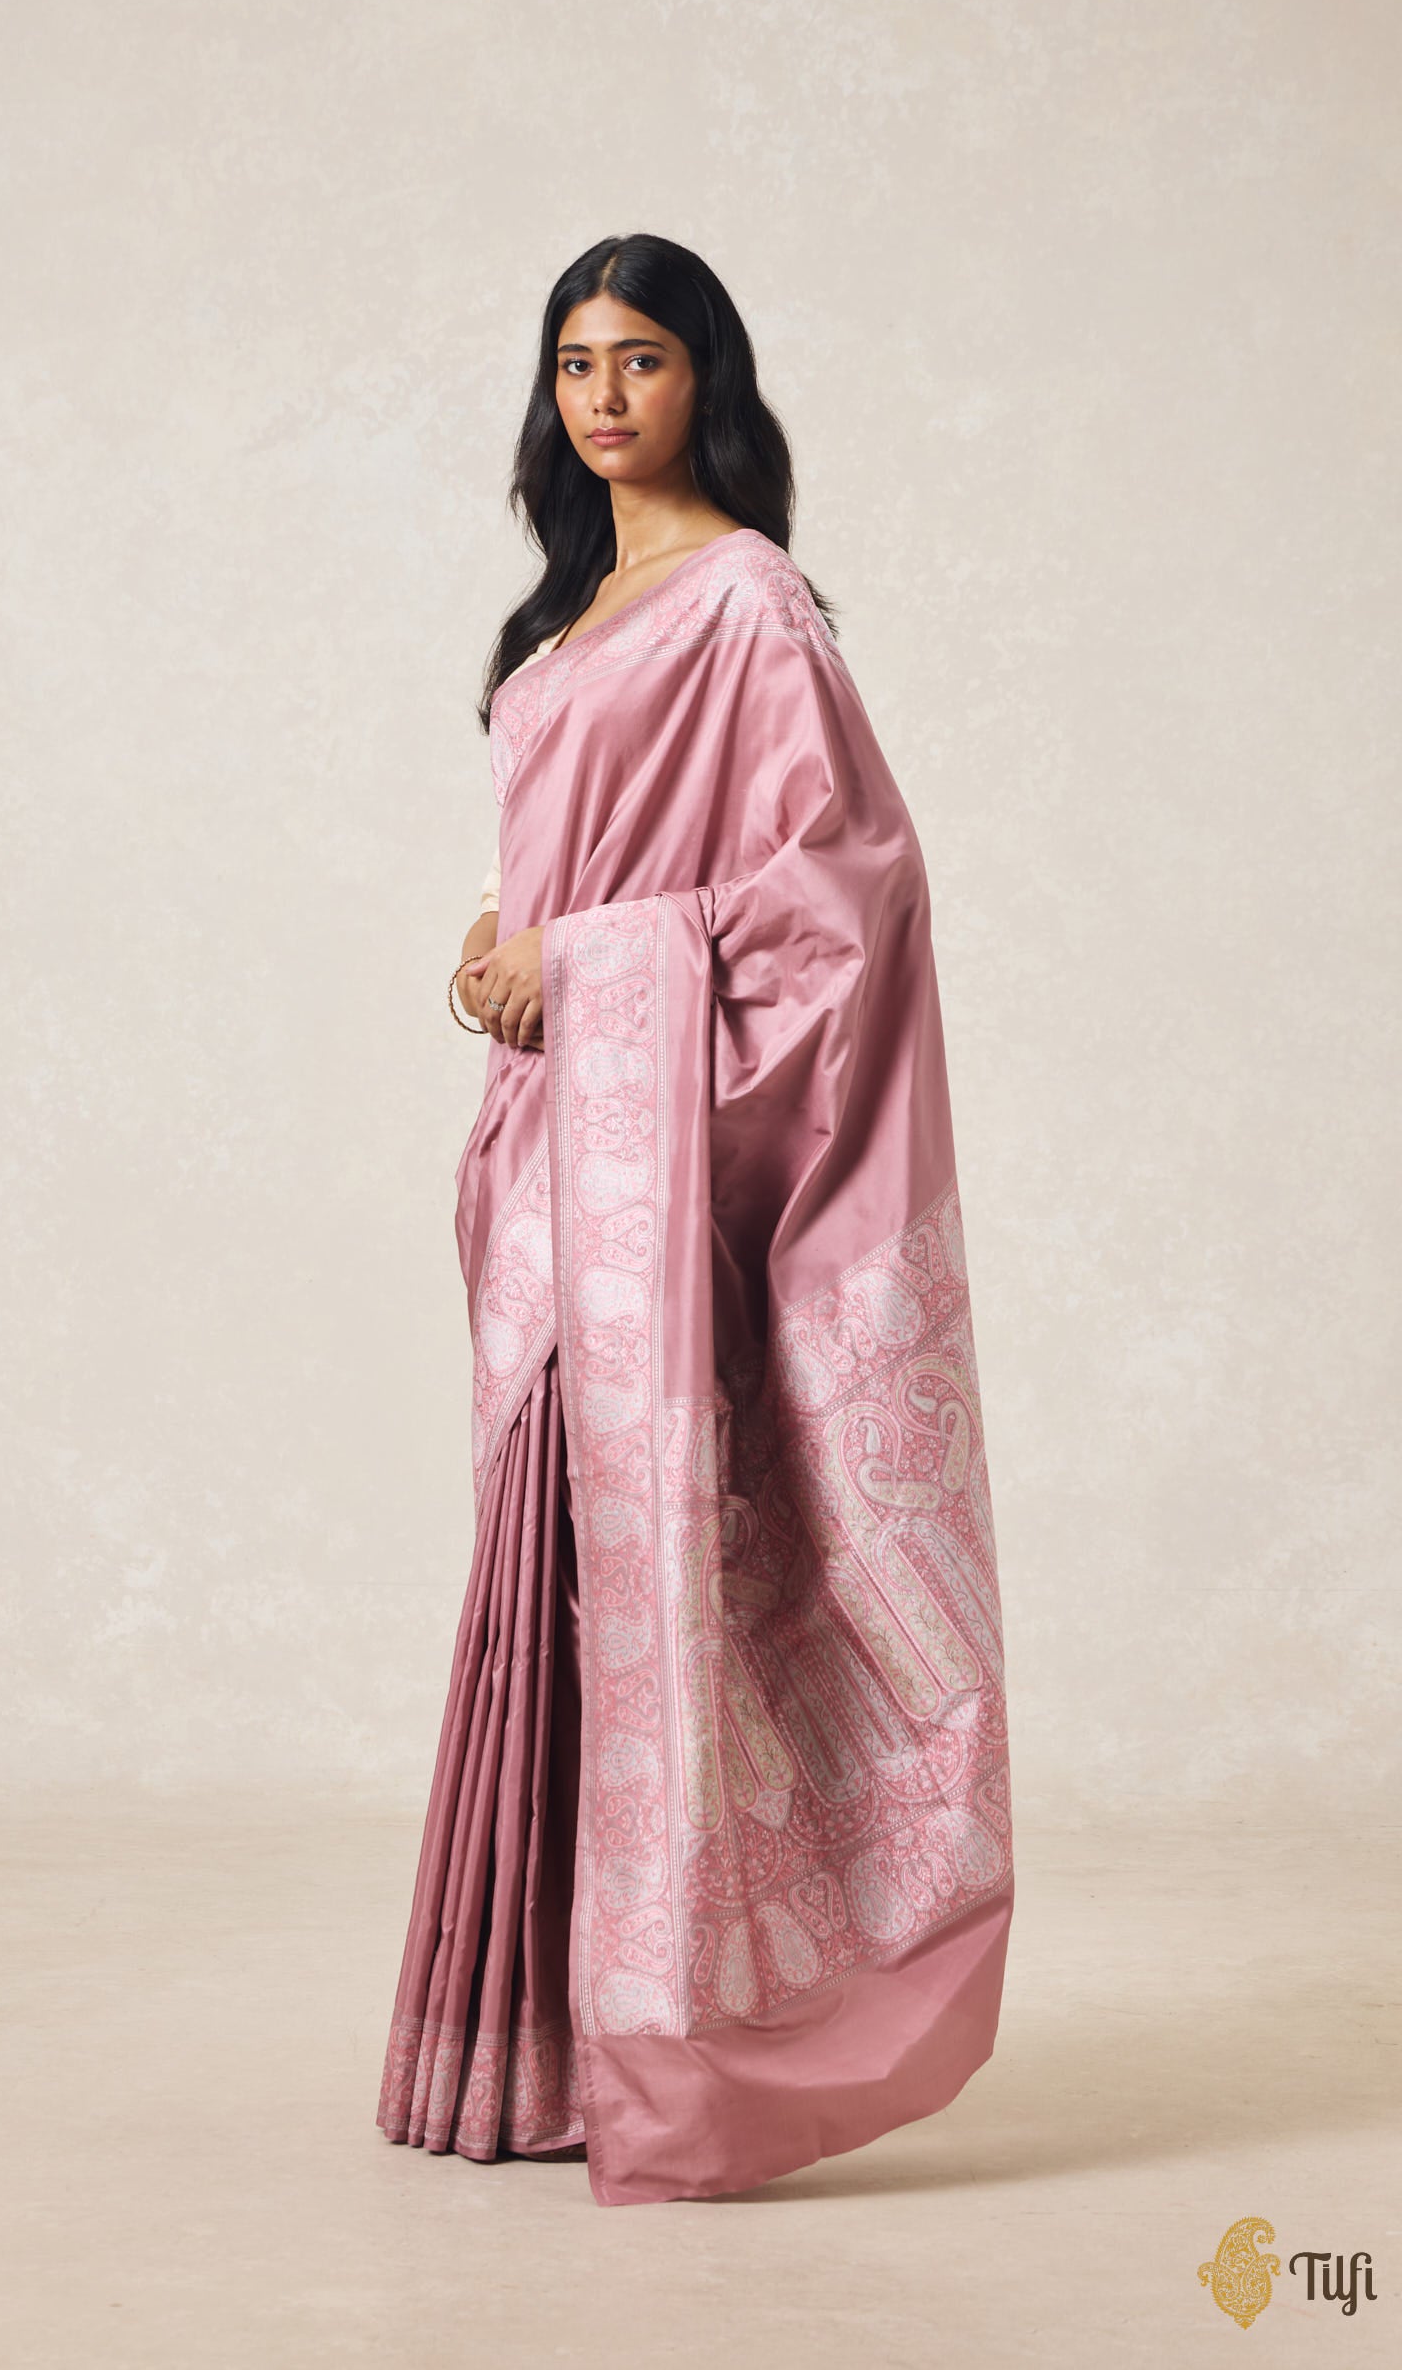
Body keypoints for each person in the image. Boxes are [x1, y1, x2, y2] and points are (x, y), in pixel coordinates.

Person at [376, 232, 1014, 2209]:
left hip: (655, 1161)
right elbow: (565, 867)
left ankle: (664, 2045)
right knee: (538, 1565)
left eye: (641, 358)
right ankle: (515, 2048)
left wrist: (588, 964)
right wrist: (507, 944)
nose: (603, 395)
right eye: (575, 361)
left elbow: (845, 894)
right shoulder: (568, 616)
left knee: (631, 1567)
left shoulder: (748, 606)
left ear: (703, 379)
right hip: (550, 1146)